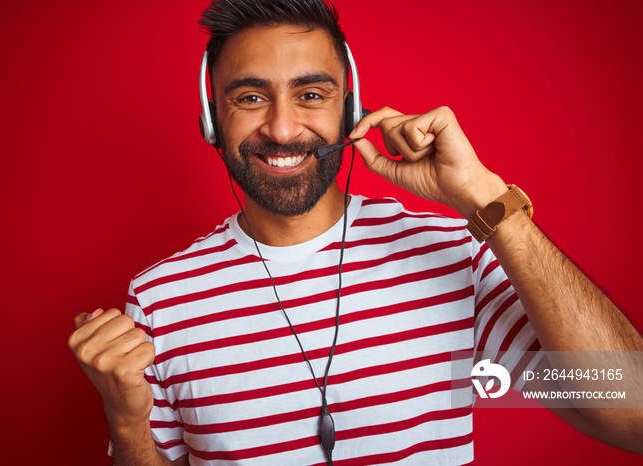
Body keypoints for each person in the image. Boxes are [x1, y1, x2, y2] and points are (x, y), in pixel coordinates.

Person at [68, 0, 643, 464]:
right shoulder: (159, 299)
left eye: (312, 94)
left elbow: (632, 414)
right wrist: (125, 422)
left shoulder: (452, 251)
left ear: (350, 109)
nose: (285, 127)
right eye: (250, 97)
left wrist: (487, 201)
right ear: (212, 120)